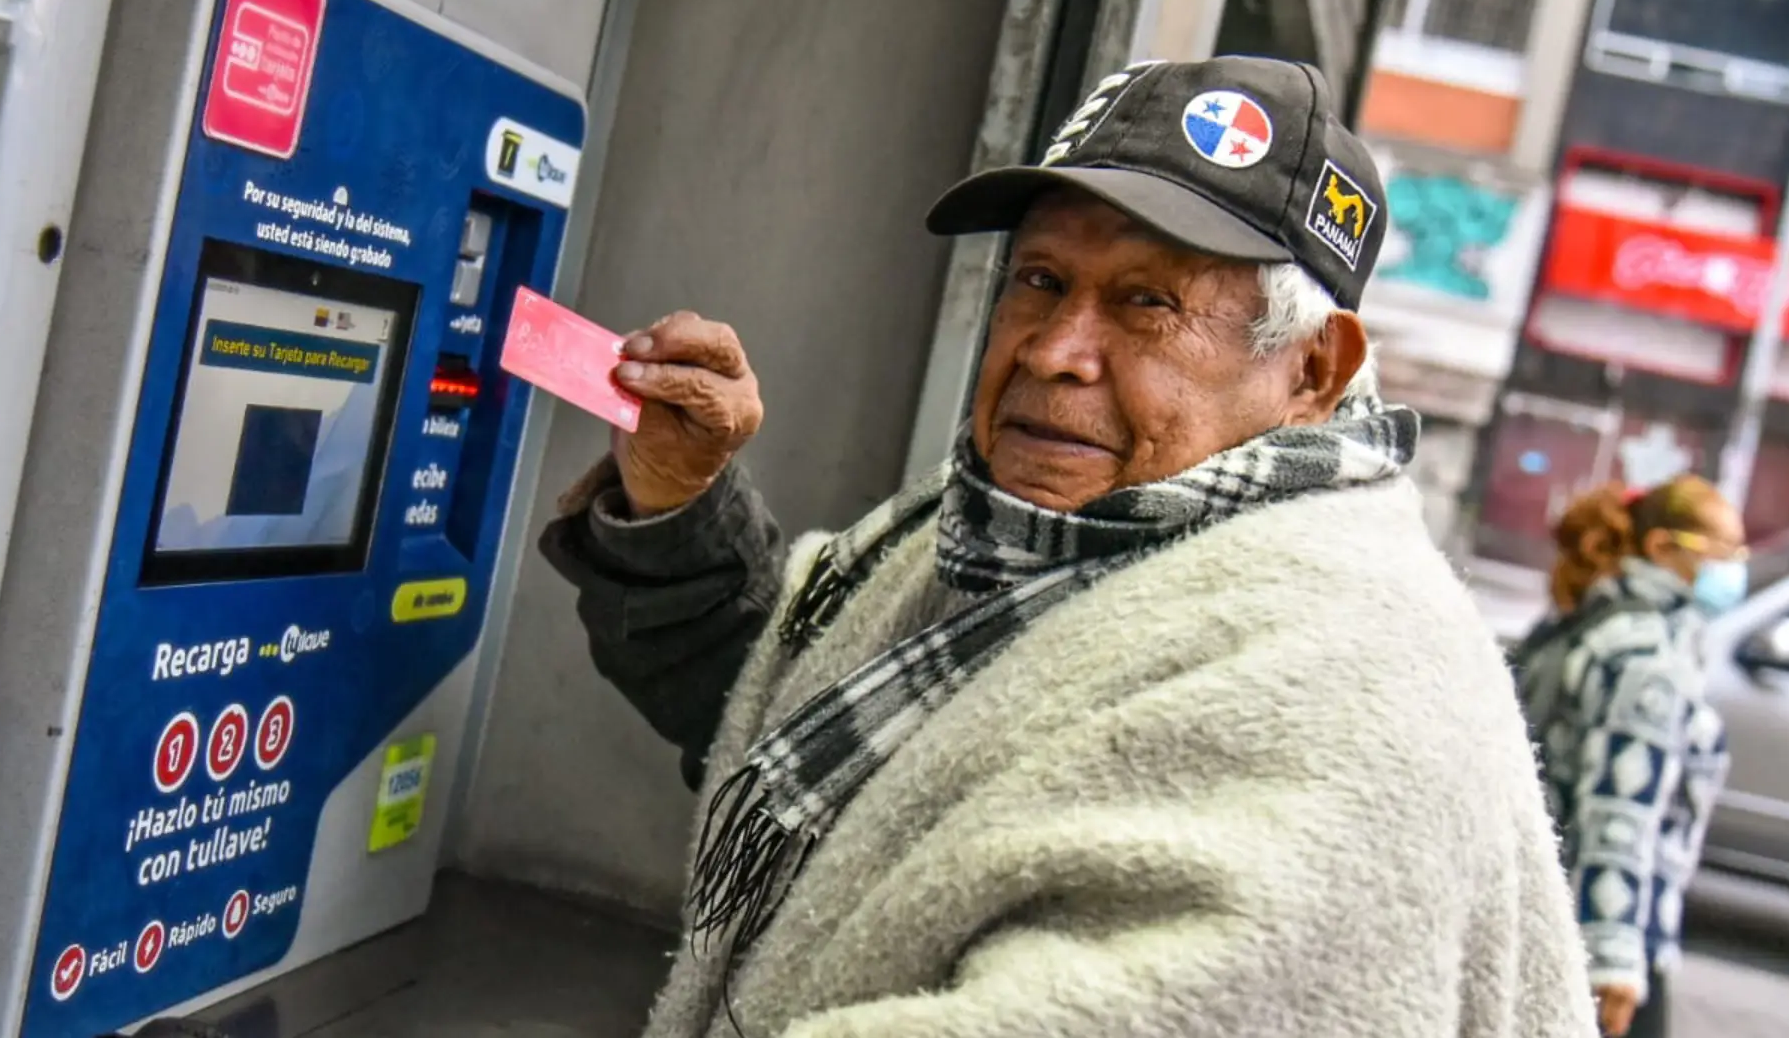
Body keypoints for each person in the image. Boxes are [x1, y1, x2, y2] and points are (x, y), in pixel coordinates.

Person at [543, 56, 1596, 1037]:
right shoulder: (1018, 540)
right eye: (1040, 280)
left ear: (1312, 370)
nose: (1054, 350)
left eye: (1148, 303)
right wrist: (681, 498)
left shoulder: (1350, 677)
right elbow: (783, 718)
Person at [1512, 476, 1741, 1038]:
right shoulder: (1647, 656)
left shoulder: (1591, 619)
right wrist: (1614, 957)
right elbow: (1619, 812)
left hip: (1545, 913)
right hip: (1600, 935)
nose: (1732, 570)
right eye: (1721, 554)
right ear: (1662, 547)